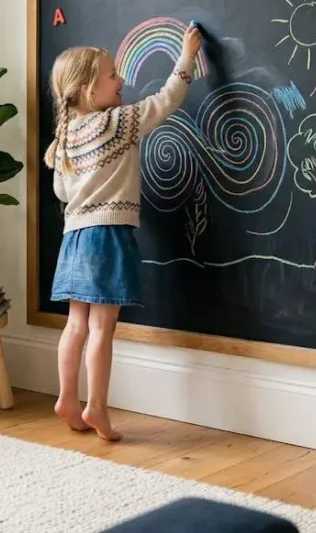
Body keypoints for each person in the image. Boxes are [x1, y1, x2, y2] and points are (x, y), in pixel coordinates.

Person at [44, 25, 202, 441]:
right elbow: (166, 100)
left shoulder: (63, 139)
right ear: (87, 90)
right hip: (108, 234)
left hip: (74, 238)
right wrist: (186, 56)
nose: (122, 80)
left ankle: (66, 398)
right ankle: (96, 406)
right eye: (113, 74)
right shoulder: (116, 123)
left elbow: (62, 190)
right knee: (102, 328)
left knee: (75, 325)